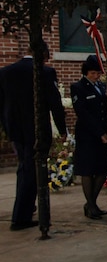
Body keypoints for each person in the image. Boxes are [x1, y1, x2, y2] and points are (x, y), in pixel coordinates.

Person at [0, 42, 67, 231]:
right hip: (36, 131)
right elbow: (55, 104)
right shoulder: (44, 73)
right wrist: (63, 130)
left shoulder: (5, 72)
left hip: (16, 131)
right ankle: (20, 217)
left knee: (24, 169)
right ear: (43, 54)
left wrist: (8, 129)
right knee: (32, 172)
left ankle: (26, 208)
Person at [70, 55, 107, 219]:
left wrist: (106, 131)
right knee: (87, 170)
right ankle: (92, 206)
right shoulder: (78, 87)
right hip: (88, 134)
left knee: (102, 169)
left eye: (97, 73)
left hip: (103, 133)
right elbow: (83, 113)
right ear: (86, 73)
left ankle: (91, 203)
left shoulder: (101, 86)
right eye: (93, 73)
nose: (96, 76)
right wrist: (99, 133)